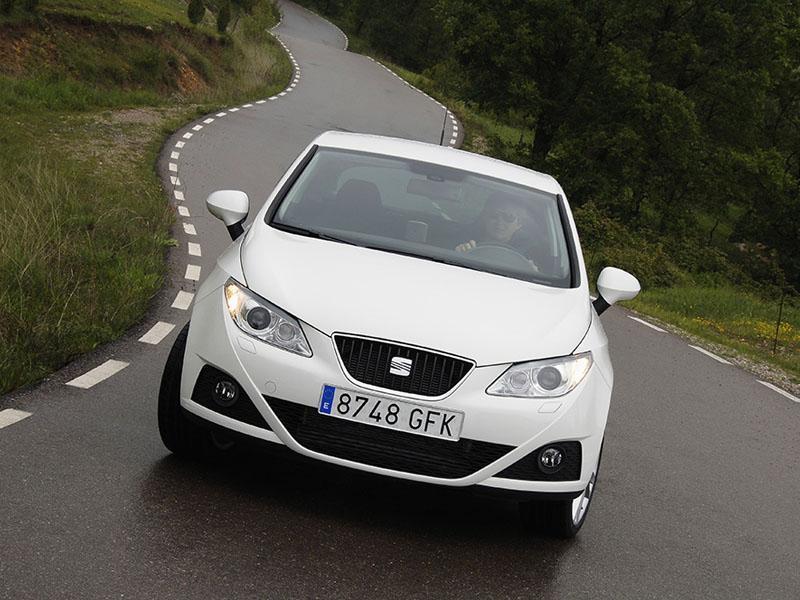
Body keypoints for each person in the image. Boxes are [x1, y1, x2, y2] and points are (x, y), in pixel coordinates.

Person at [455, 192, 530, 253]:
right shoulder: (461, 240)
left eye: (508, 217)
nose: (500, 222)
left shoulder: (526, 253)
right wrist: (459, 255)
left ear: (519, 224)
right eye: (494, 215)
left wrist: (529, 269)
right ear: (485, 217)